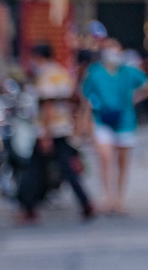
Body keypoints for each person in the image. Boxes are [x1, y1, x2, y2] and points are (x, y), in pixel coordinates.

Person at [16, 43, 94, 223]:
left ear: (39, 57)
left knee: (34, 170)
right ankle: (85, 203)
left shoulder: (45, 76)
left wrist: (46, 134)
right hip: (63, 127)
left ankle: (29, 208)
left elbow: (48, 106)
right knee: (66, 169)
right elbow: (74, 100)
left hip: (49, 130)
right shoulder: (61, 73)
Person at [81, 37, 148, 215]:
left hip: (125, 120)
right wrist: (84, 122)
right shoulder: (95, 72)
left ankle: (119, 198)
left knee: (122, 161)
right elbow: (86, 98)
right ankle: (107, 196)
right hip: (102, 119)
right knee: (105, 157)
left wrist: (133, 98)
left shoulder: (128, 71)